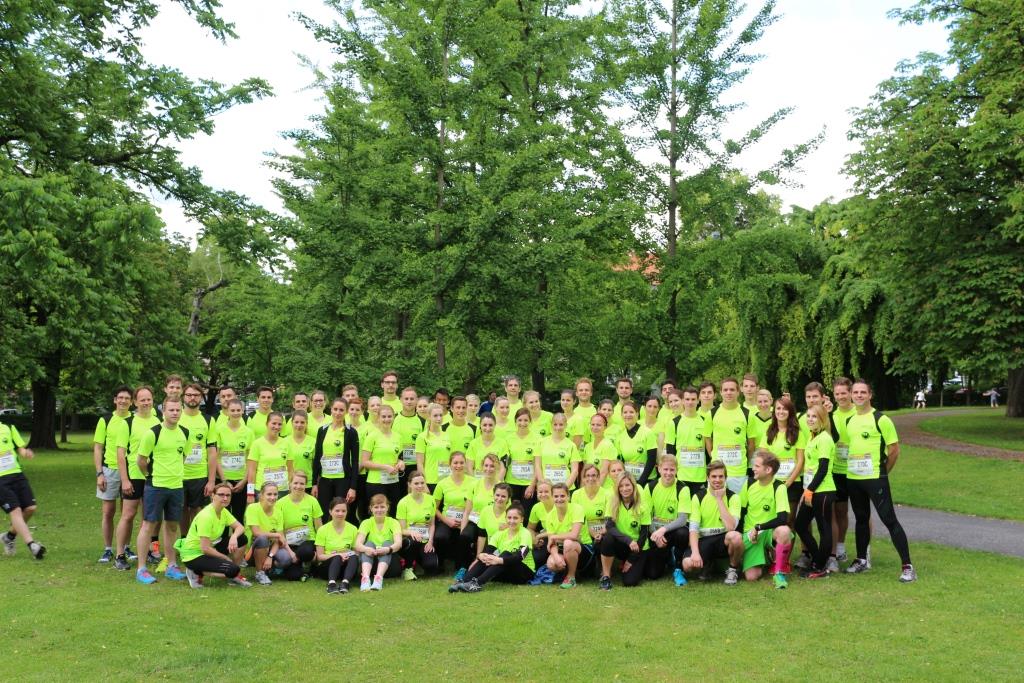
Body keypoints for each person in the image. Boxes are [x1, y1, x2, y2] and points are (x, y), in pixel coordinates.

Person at [844, 379, 916, 582]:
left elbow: (894, 450)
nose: (859, 395)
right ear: (851, 395)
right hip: (854, 478)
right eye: (855, 392)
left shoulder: (881, 419)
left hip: (875, 478)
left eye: (862, 392)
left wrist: (883, 472)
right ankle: (861, 560)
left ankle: (908, 566)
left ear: (870, 395)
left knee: (889, 520)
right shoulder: (850, 420)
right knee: (861, 519)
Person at [134, 397, 189, 584]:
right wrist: (150, 475)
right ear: (163, 411)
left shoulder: (185, 433)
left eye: (178, 410)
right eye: (171, 410)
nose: (175, 413)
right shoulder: (153, 433)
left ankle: (171, 565)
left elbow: (182, 457)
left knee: (172, 526)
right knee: (148, 526)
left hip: (177, 486)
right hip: (156, 486)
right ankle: (141, 569)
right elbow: (141, 460)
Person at [113, 385, 160, 569]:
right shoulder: (128, 423)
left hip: (153, 475)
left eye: (149, 399)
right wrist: (124, 480)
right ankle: (120, 555)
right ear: (135, 402)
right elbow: (120, 453)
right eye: (142, 400)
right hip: (133, 476)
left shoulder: (158, 421)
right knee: (128, 515)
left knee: (148, 517)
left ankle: (145, 552)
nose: (146, 403)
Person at [176, 482, 250, 589]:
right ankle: (195, 571)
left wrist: (234, 537)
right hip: (194, 555)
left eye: (228, 495)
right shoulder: (206, 516)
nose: (225, 498)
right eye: (221, 495)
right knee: (232, 569)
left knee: (242, 539)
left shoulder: (223, 511)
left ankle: (234, 575)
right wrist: (224, 557)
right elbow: (205, 548)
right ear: (212, 496)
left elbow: (240, 527)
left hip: (210, 547)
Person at [736, 451, 793, 589]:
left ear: (768, 470)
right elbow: (741, 512)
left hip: (768, 531)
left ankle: (779, 573)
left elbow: (782, 519)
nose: (753, 469)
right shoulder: (748, 483)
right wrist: (741, 536)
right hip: (751, 534)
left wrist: (759, 527)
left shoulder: (779, 487)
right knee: (751, 577)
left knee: (784, 531)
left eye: (757, 466)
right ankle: (766, 557)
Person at [449, 503, 534, 593]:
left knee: (505, 554)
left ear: (522, 519)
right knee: (486, 556)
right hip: (506, 570)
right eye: (509, 518)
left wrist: (499, 560)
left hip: (524, 573)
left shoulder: (525, 533)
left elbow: (520, 556)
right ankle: (464, 581)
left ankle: (477, 584)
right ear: (505, 518)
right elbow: (488, 551)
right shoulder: (499, 534)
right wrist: (481, 556)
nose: (511, 521)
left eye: (515, 518)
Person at [794, 405, 837, 577]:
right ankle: (818, 559)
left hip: (823, 490)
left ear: (822, 419)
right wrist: (808, 489)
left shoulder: (824, 438)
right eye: (808, 416)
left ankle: (819, 567)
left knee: (824, 529)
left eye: (814, 416)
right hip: (811, 489)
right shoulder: (813, 437)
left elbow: (823, 469)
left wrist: (810, 490)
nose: (810, 419)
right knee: (800, 525)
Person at [680, 461, 741, 581]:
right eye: (714, 476)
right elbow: (693, 529)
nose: (717, 480)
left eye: (721, 476)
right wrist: (695, 553)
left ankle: (732, 570)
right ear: (707, 478)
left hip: (723, 540)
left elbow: (731, 527)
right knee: (687, 565)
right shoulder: (698, 497)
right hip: (704, 540)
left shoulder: (734, 497)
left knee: (736, 537)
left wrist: (719, 499)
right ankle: (708, 563)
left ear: (725, 478)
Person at [94, 385, 132, 563]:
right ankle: (108, 549)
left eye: (127, 398)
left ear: (131, 402)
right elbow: (98, 447)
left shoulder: (134, 419)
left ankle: (125, 547)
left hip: (130, 470)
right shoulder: (106, 420)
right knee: (108, 512)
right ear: (115, 400)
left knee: (128, 513)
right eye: (120, 398)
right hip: (109, 470)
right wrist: (99, 473)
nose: (123, 401)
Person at [0, 420, 45, 559]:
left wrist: (25, 453)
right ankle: (32, 545)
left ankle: (9, 537)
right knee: (16, 511)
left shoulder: (8, 427)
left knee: (30, 508)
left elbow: (19, 448)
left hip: (17, 475)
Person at [598, 472, 651, 589]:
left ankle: (634, 564)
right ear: (617, 488)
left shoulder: (643, 505)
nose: (624, 489)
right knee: (607, 538)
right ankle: (606, 576)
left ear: (633, 486)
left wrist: (631, 559)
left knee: (630, 581)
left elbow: (644, 535)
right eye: (621, 486)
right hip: (623, 544)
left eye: (627, 485)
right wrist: (628, 540)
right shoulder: (613, 502)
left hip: (638, 547)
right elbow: (609, 527)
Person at [179, 383, 218, 542]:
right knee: (181, 511)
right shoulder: (176, 416)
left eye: (196, 395)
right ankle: (184, 540)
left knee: (197, 510)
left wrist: (211, 480)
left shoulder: (208, 420)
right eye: (189, 395)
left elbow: (212, 451)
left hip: (199, 475)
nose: (192, 398)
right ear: (183, 397)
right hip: (178, 475)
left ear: (201, 398)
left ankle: (196, 541)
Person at [702, 378, 752, 493]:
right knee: (715, 503)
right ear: (721, 392)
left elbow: (751, 444)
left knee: (737, 503)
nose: (728, 392)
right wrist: (713, 455)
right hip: (717, 471)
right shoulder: (712, 414)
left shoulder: (747, 414)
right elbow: (707, 439)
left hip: (738, 472)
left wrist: (745, 461)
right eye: (725, 390)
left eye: (732, 390)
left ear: (738, 392)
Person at [645, 456, 691, 582]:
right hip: (656, 533)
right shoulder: (650, 487)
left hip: (673, 532)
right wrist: (656, 534)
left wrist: (663, 530)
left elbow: (682, 519)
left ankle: (678, 568)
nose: (668, 473)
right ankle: (668, 555)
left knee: (683, 533)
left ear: (677, 470)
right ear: (659, 469)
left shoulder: (683, 488)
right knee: (652, 574)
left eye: (672, 470)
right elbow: (646, 516)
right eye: (665, 469)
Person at [759, 396, 806, 516]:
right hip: (772, 482)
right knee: (772, 518)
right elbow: (763, 458)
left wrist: (788, 483)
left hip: (792, 483)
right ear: (774, 411)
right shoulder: (768, 432)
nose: (781, 411)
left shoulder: (798, 433)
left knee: (789, 519)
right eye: (778, 408)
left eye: (785, 409)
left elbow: (800, 461)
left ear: (790, 412)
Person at [313, 398, 358, 522]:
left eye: (341, 410)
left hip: (343, 480)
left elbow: (355, 461)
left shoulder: (351, 432)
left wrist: (353, 487)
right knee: (324, 513)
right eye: (335, 409)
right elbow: (317, 458)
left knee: (342, 513)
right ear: (331, 409)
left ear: (346, 412)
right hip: (325, 480)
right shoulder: (322, 430)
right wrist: (314, 483)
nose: (338, 413)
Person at [433, 452, 476, 580]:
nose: (458, 465)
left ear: (465, 464)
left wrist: (465, 520)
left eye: (461, 462)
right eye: (455, 463)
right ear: (450, 465)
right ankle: (440, 563)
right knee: (440, 537)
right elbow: (433, 507)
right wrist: (447, 521)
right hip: (447, 520)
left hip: (467, 520)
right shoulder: (442, 483)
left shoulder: (474, 482)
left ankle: (462, 566)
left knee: (465, 536)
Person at [539, 483, 590, 589]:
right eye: (556, 496)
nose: (559, 499)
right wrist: (556, 556)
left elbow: (574, 535)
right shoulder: (550, 516)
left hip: (584, 548)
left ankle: (571, 577)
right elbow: (552, 544)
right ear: (552, 497)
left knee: (568, 543)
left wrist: (554, 537)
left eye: (562, 496)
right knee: (551, 563)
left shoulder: (577, 509)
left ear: (568, 496)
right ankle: (567, 572)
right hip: (562, 548)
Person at [276, 470, 322, 581]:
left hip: (308, 541)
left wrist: (321, 549)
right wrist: (290, 553)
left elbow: (319, 527)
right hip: (289, 544)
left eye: (302, 483)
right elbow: (279, 532)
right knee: (293, 576)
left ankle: (312, 560)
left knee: (305, 552)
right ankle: (302, 566)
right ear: (290, 484)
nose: (298, 486)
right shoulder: (280, 503)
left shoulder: (312, 501)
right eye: (295, 483)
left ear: (305, 485)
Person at [830, 377, 857, 562]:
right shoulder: (831, 415)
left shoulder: (859, 413)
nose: (841, 397)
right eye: (837, 393)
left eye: (844, 393)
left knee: (863, 513)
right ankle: (840, 547)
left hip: (856, 471)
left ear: (850, 393)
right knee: (840, 511)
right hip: (837, 470)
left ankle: (865, 552)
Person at [213, 398, 251, 526]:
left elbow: (250, 459)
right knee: (221, 514)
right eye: (232, 410)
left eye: (238, 410)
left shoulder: (248, 432)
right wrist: (224, 481)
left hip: (241, 481)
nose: (235, 413)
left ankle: (238, 538)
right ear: (227, 412)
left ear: (243, 411)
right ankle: (222, 539)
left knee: (239, 515)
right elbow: (216, 457)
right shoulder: (219, 430)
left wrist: (244, 481)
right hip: (223, 480)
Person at [396, 471, 439, 580]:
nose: (420, 486)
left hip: (425, 539)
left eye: (422, 483)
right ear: (409, 484)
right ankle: (407, 568)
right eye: (416, 483)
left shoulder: (430, 499)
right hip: (409, 540)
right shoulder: (403, 502)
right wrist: (412, 532)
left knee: (431, 567)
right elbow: (401, 530)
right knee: (413, 542)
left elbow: (432, 525)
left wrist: (430, 542)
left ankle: (417, 560)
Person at [354, 494, 403, 591]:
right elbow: (358, 544)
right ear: (371, 508)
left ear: (387, 507)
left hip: (388, 562)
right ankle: (365, 579)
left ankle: (378, 579)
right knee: (368, 544)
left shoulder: (394, 522)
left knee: (387, 543)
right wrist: (367, 549)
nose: (379, 510)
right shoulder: (366, 523)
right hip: (371, 559)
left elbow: (398, 543)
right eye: (376, 507)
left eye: (382, 507)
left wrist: (387, 549)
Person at [361, 404, 405, 512]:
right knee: (378, 514)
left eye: (389, 416)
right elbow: (365, 462)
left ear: (393, 417)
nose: (387, 419)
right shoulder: (371, 436)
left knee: (393, 513)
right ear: (378, 418)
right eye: (383, 417)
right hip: (376, 483)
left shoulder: (398, 437)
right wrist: (385, 467)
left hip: (393, 481)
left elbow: (398, 457)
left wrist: (401, 463)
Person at [665, 387, 709, 493]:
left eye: (693, 399)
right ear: (683, 401)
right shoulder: (674, 423)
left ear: (698, 400)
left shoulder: (705, 421)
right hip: (681, 475)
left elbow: (708, 450)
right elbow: (670, 451)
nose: (690, 402)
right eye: (687, 399)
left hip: (700, 476)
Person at [244, 481, 287, 585]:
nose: (273, 497)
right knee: (262, 539)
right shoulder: (252, 508)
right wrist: (277, 535)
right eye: (269, 494)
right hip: (253, 549)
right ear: (261, 495)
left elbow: (279, 540)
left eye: (275, 494)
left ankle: (270, 568)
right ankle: (260, 573)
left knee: (286, 559)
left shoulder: (278, 512)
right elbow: (256, 533)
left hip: (270, 548)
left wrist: (270, 556)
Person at [314, 498, 359, 594]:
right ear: (330, 511)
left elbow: (357, 552)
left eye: (343, 511)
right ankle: (331, 584)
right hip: (327, 568)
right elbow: (320, 556)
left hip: (345, 567)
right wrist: (337, 555)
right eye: (337, 511)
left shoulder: (353, 528)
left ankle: (345, 583)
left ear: (347, 512)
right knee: (337, 557)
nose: (340, 514)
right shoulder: (322, 530)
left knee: (354, 556)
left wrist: (347, 555)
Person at [245, 412, 292, 503]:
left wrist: (291, 488)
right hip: (262, 490)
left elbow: (290, 470)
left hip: (282, 490)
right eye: (274, 423)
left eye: (279, 424)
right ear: (267, 424)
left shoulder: (287, 443)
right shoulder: (257, 444)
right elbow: (252, 471)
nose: (276, 426)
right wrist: (250, 493)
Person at [462, 454, 504, 549]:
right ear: (482, 467)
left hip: (492, 524)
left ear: (497, 467)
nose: (488, 469)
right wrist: (462, 532)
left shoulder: (502, 487)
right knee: (464, 537)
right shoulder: (474, 484)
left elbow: (506, 512)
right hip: (475, 521)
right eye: (486, 465)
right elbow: (467, 511)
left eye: (492, 466)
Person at [571, 464, 611, 564]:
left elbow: (609, 519)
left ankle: (604, 567)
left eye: (594, 475)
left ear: (598, 477)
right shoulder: (576, 494)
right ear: (583, 478)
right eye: (587, 476)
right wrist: (592, 532)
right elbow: (575, 519)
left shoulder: (607, 494)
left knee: (607, 540)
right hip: (583, 531)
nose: (591, 478)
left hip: (603, 531)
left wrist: (600, 533)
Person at [505, 408, 540, 516]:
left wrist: (532, 485)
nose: (523, 423)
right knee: (512, 514)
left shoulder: (537, 438)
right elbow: (505, 462)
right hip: (511, 482)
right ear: (515, 421)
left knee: (526, 514)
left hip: (528, 483)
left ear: (530, 421)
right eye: (520, 420)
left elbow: (538, 465)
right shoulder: (508, 439)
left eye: (526, 420)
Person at [615, 400, 658, 487]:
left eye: (631, 412)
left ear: (637, 414)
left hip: (647, 481)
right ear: (621, 415)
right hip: (629, 482)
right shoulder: (620, 437)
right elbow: (620, 461)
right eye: (625, 412)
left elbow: (652, 460)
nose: (628, 415)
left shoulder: (648, 433)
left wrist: (641, 482)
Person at [537, 413, 580, 488]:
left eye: (561, 424)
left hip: (565, 488)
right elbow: (537, 466)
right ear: (551, 425)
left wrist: (564, 488)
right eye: (555, 424)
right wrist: (543, 485)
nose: (558, 427)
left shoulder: (571, 445)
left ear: (566, 425)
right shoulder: (541, 442)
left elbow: (575, 471)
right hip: (546, 489)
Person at [415, 403, 452, 491]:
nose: (439, 418)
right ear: (429, 417)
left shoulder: (447, 435)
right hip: (430, 482)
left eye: (440, 415)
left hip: (446, 481)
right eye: (435, 416)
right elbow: (420, 464)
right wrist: (423, 484)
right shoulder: (422, 437)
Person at [465, 413, 508, 477]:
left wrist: (497, 482)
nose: (487, 428)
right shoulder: (473, 444)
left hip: (496, 482)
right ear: (480, 425)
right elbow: (469, 468)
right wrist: (475, 482)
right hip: (478, 482)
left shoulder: (502, 443)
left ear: (495, 425)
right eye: (485, 425)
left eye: (490, 425)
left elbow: (503, 469)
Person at [581, 413, 617, 487]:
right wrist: (583, 490)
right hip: (590, 487)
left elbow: (604, 472)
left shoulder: (608, 445)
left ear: (605, 427)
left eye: (598, 425)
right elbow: (585, 471)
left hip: (604, 488)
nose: (595, 427)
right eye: (593, 424)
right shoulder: (588, 447)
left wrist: (595, 490)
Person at [285, 410, 315, 491]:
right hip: (289, 484)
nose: (299, 425)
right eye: (296, 422)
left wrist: (315, 484)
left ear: (306, 423)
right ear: (292, 423)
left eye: (302, 422)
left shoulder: (313, 441)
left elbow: (316, 466)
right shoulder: (284, 442)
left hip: (308, 484)